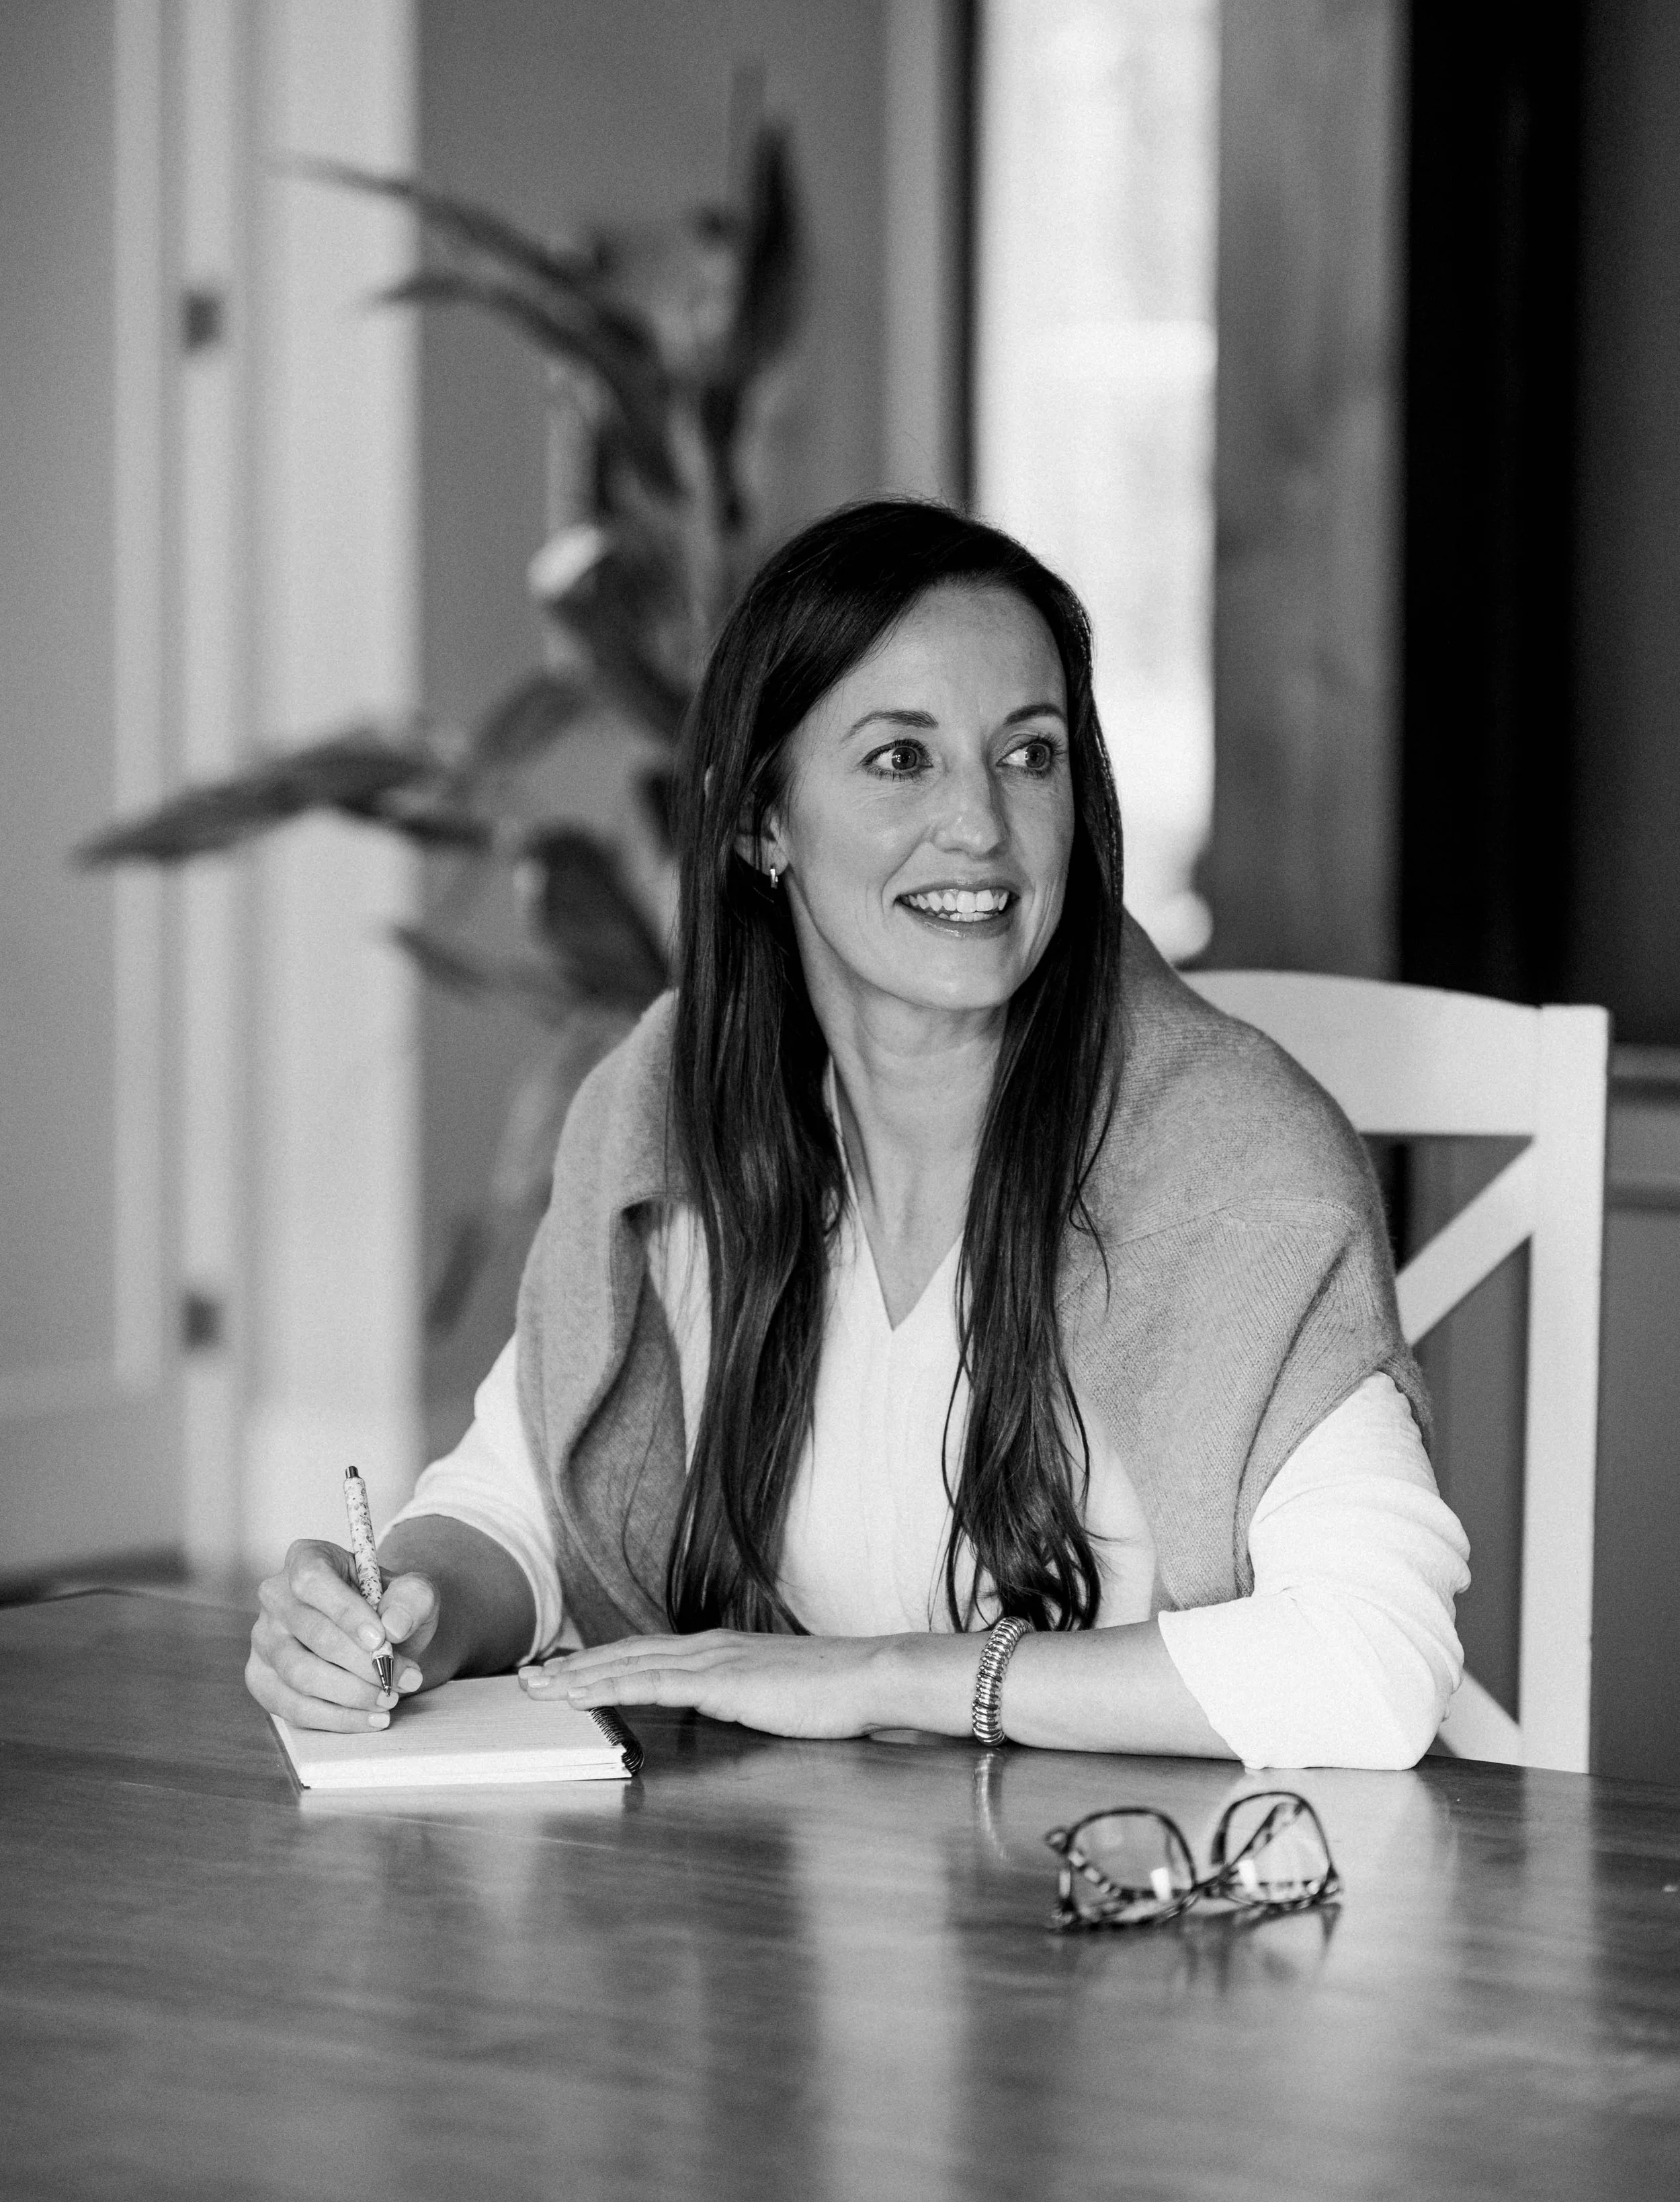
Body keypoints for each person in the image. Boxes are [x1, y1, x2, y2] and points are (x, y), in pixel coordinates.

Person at [247, 499, 1468, 1767]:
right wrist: (403, 1612)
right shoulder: (670, 1107)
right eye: (901, 758)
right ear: (758, 819)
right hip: (785, 1877)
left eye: (1030, 754)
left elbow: (1372, 1668)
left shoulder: (1228, 1151)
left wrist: (879, 1679)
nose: (981, 825)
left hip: (1133, 1871)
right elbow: (519, 1499)